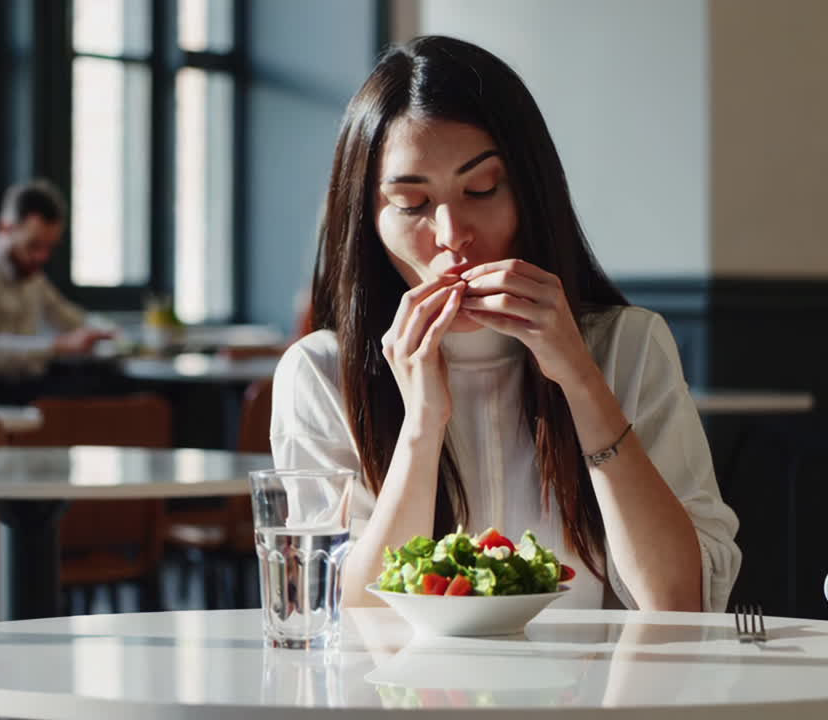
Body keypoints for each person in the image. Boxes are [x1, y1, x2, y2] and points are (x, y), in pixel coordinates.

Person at [270, 36, 740, 612]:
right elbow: (343, 620)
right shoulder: (320, 371)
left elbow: (678, 600)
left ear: (530, 191)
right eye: (411, 203)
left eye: (481, 189)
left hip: (594, 698)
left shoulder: (629, 343)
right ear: (368, 219)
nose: (451, 234)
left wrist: (582, 382)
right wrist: (423, 422)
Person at [0, 179, 115, 403]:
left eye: (49, 248)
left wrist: (117, 336)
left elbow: (69, 317)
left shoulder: (29, 274)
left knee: (107, 384)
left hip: (20, 389)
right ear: (5, 228)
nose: (42, 257)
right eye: (33, 245)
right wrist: (58, 346)